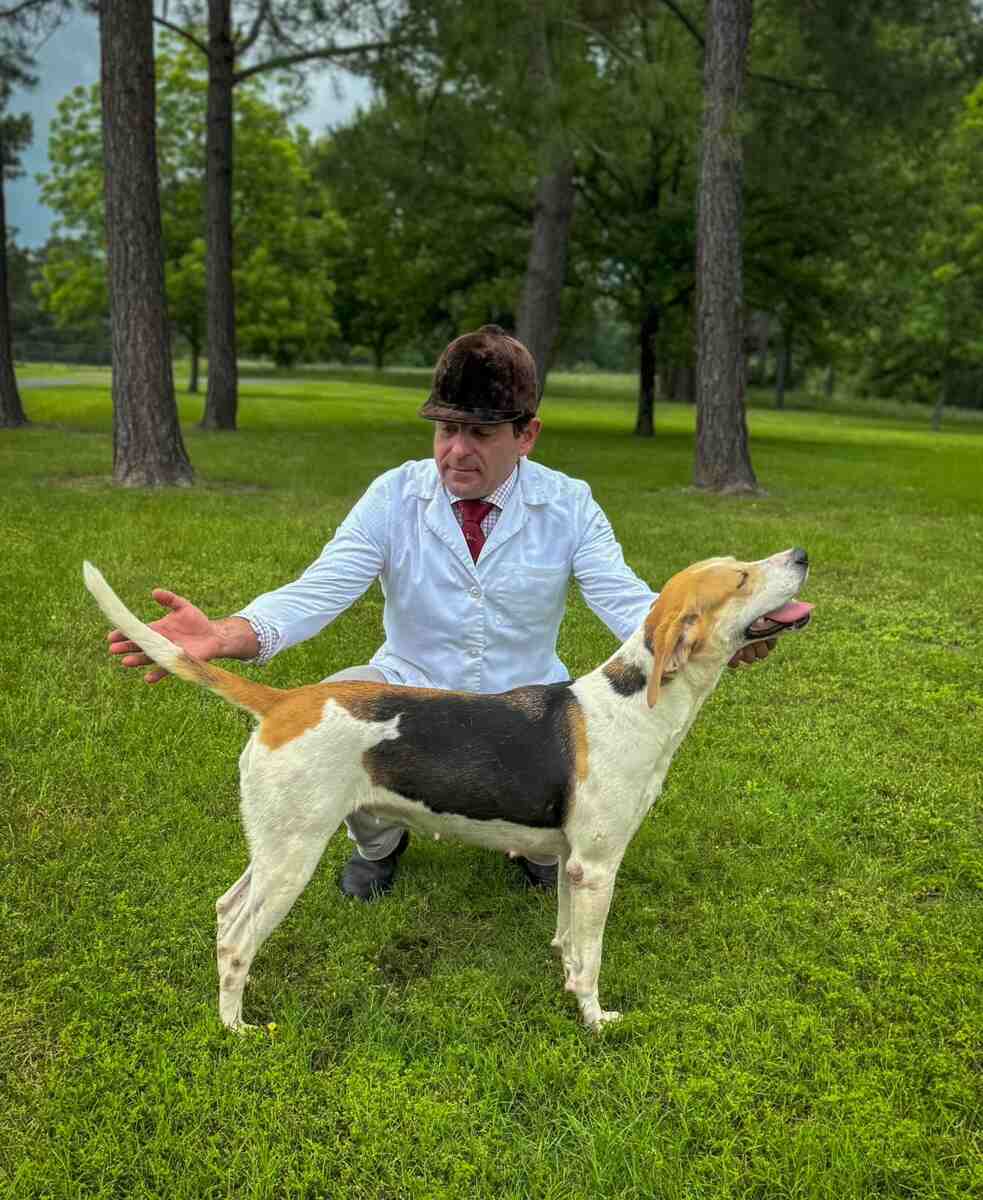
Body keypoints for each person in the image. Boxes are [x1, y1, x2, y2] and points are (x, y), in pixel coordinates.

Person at [107, 325, 773, 898]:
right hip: (410, 692)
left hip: (524, 714)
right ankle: (378, 844)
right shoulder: (392, 496)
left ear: (526, 435)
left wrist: (714, 633)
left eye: (480, 433)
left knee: (558, 821)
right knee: (335, 711)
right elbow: (320, 589)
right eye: (446, 430)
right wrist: (225, 633)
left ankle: (536, 847)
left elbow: (626, 600)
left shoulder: (569, 503)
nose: (456, 451)